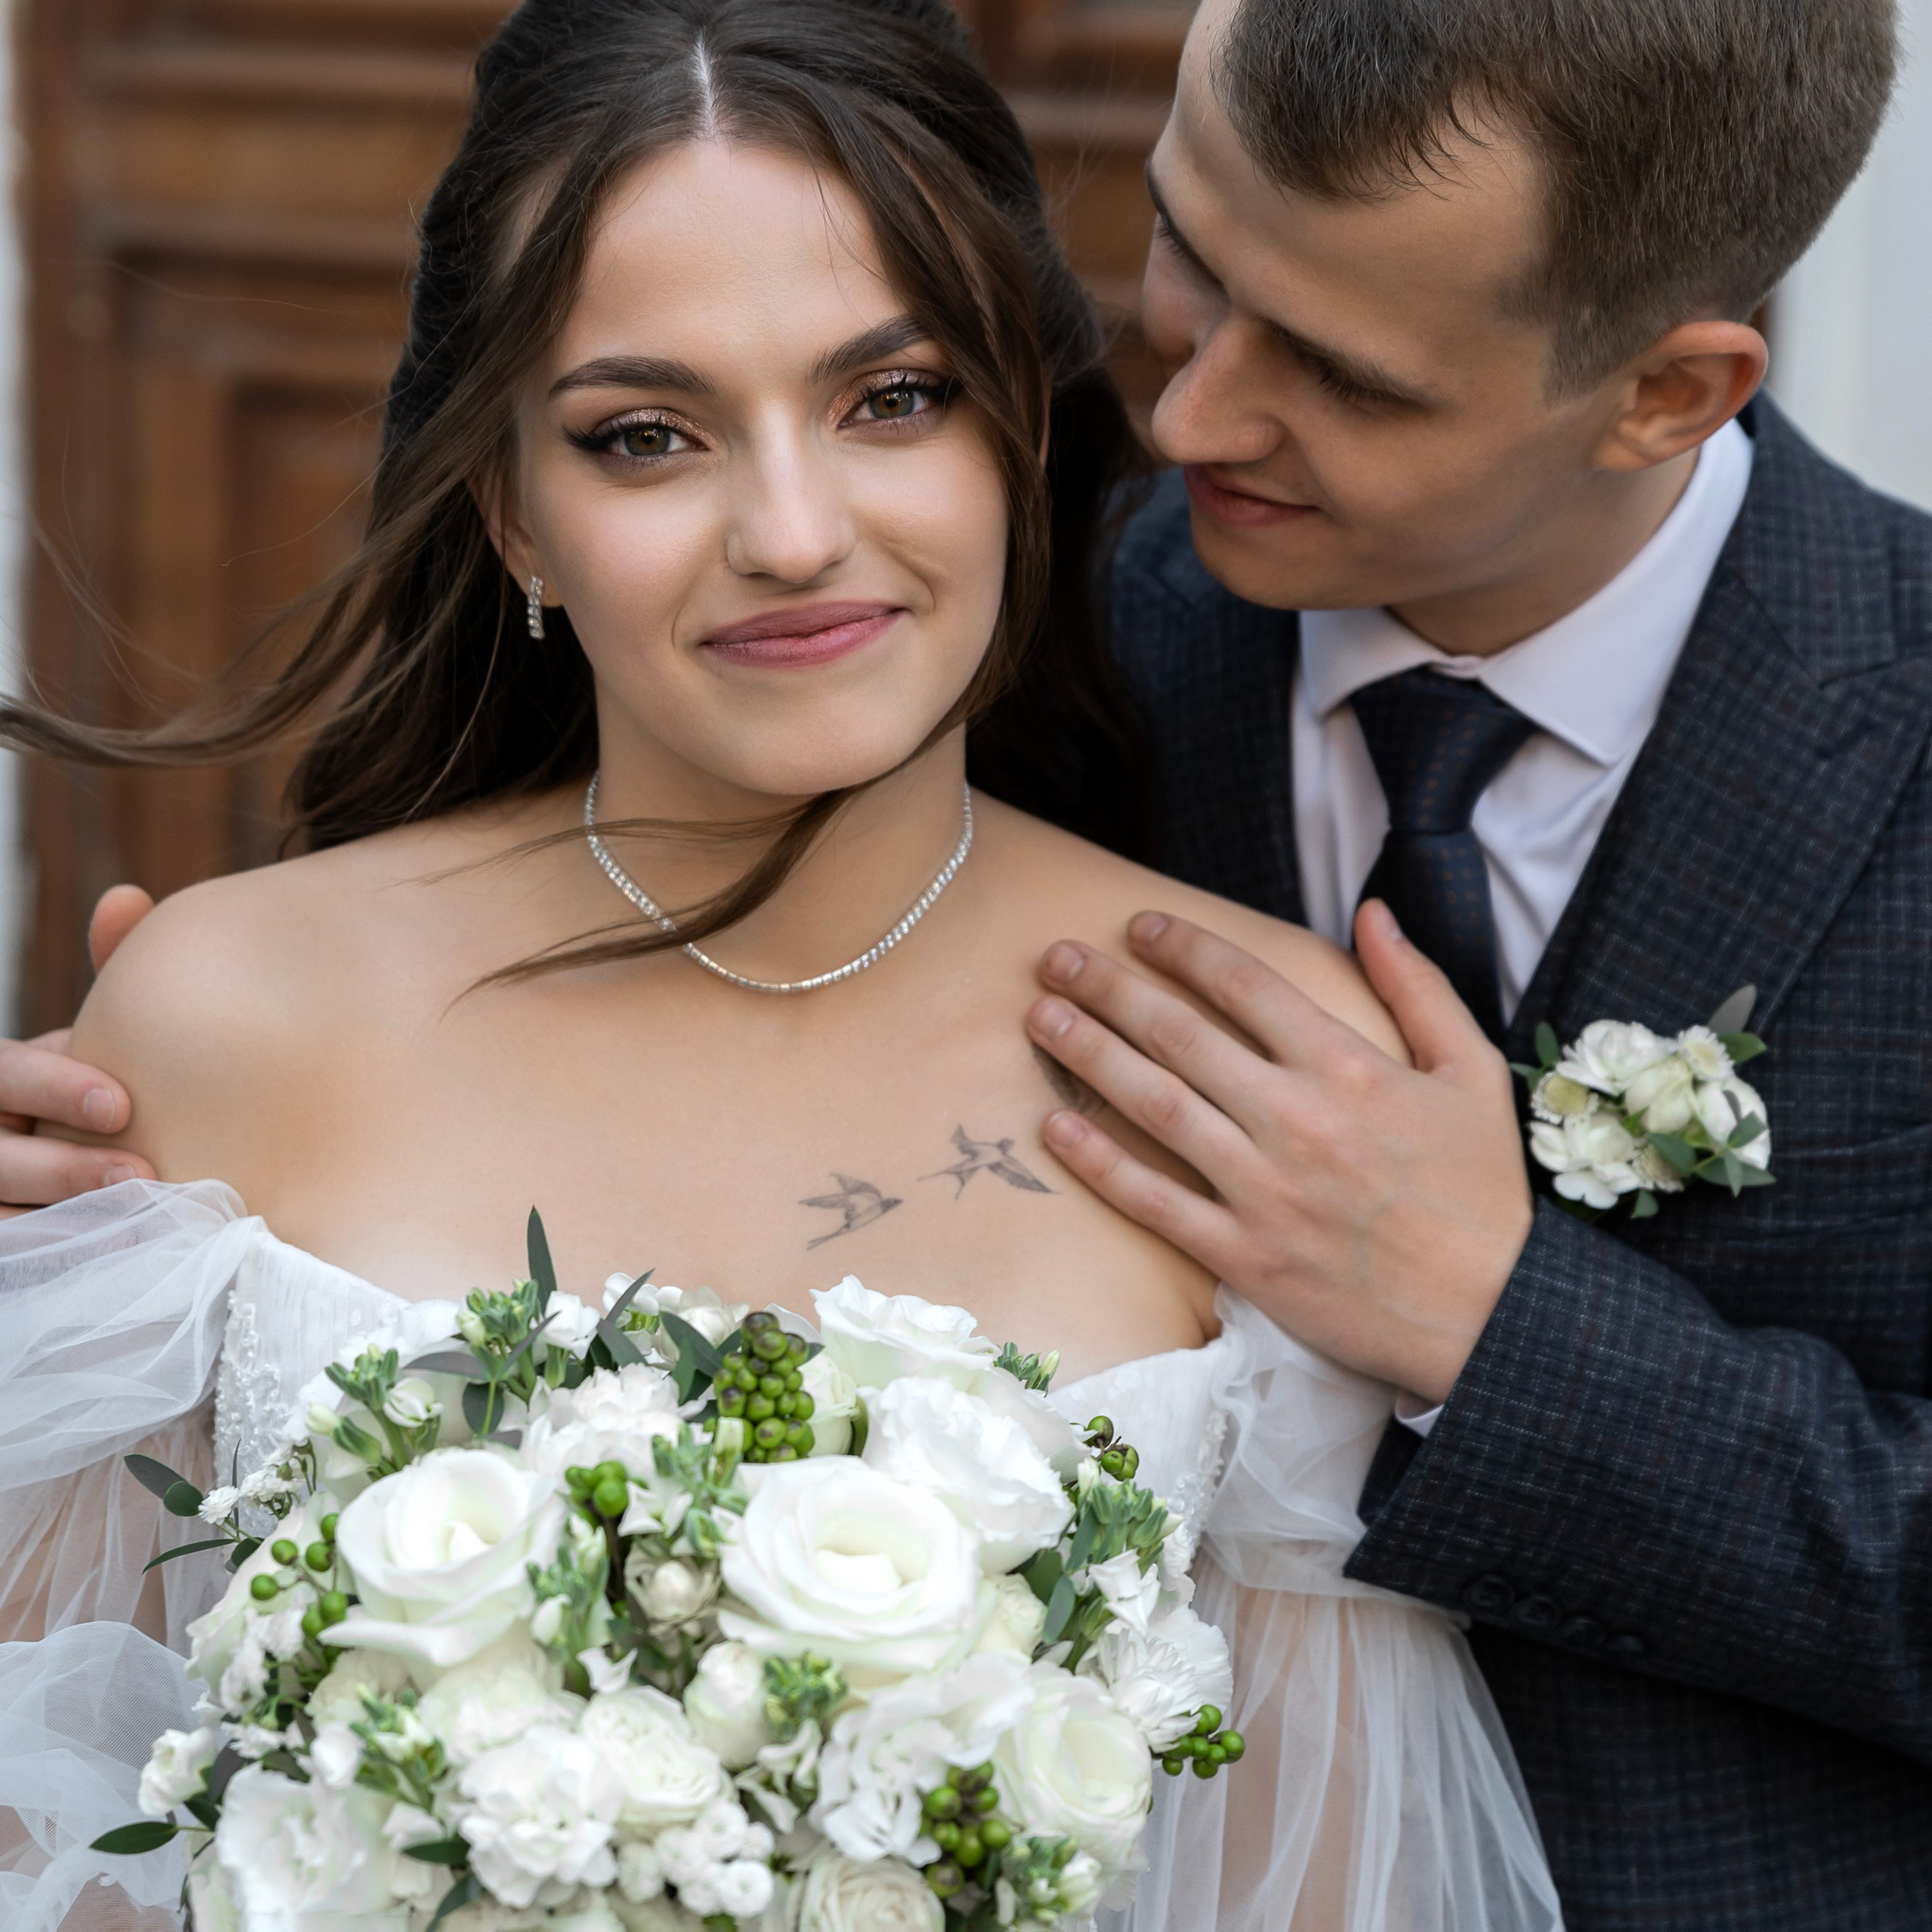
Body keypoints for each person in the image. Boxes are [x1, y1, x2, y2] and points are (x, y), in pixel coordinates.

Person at [0, 4, 1565, 1930]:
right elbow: (54, 1816)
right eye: (644, 436)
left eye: (888, 398)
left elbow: (1319, 1876)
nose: (794, 531)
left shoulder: (1256, 1064)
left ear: (1013, 441)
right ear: (514, 513)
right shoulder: (228, 1019)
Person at [1015, 2, 1930, 1928]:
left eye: (1343, 373)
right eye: (1190, 247)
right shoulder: (1027, 644)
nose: (1185, 412)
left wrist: (1497, 1321)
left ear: (1664, 393)